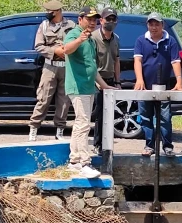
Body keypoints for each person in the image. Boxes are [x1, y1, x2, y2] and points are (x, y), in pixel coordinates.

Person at [63, 6, 114, 179]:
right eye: (89, 19)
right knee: (84, 123)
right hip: (78, 87)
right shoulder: (74, 33)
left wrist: (104, 85)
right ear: (80, 19)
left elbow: (92, 68)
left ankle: (74, 161)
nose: (92, 22)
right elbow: (66, 49)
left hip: (88, 86)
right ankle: (84, 162)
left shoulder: (91, 39)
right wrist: (79, 40)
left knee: (80, 123)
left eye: (94, 19)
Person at [133, 12, 182, 157]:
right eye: (151, 24)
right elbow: (138, 61)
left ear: (163, 25)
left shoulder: (171, 41)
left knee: (165, 118)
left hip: (164, 86)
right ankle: (149, 146)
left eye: (157, 24)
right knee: (146, 117)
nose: (154, 27)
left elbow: (175, 62)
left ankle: (167, 146)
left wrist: (179, 81)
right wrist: (139, 79)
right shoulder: (141, 40)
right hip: (146, 87)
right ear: (147, 25)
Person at [28, 0, 75, 142]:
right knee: (43, 98)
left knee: (64, 101)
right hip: (50, 66)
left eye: (50, 11)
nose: (47, 13)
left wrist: (66, 50)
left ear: (58, 11)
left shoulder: (72, 26)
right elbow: (38, 46)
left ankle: (60, 131)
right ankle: (34, 128)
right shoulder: (44, 26)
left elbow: (76, 44)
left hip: (66, 67)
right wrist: (55, 51)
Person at [91, 7, 120, 156]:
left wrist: (118, 81)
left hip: (110, 81)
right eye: (107, 19)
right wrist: (98, 83)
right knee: (100, 115)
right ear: (101, 20)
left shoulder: (116, 39)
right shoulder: (94, 37)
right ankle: (97, 145)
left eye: (113, 19)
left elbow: (116, 61)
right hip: (97, 80)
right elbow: (91, 62)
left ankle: (107, 146)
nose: (110, 22)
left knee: (110, 115)